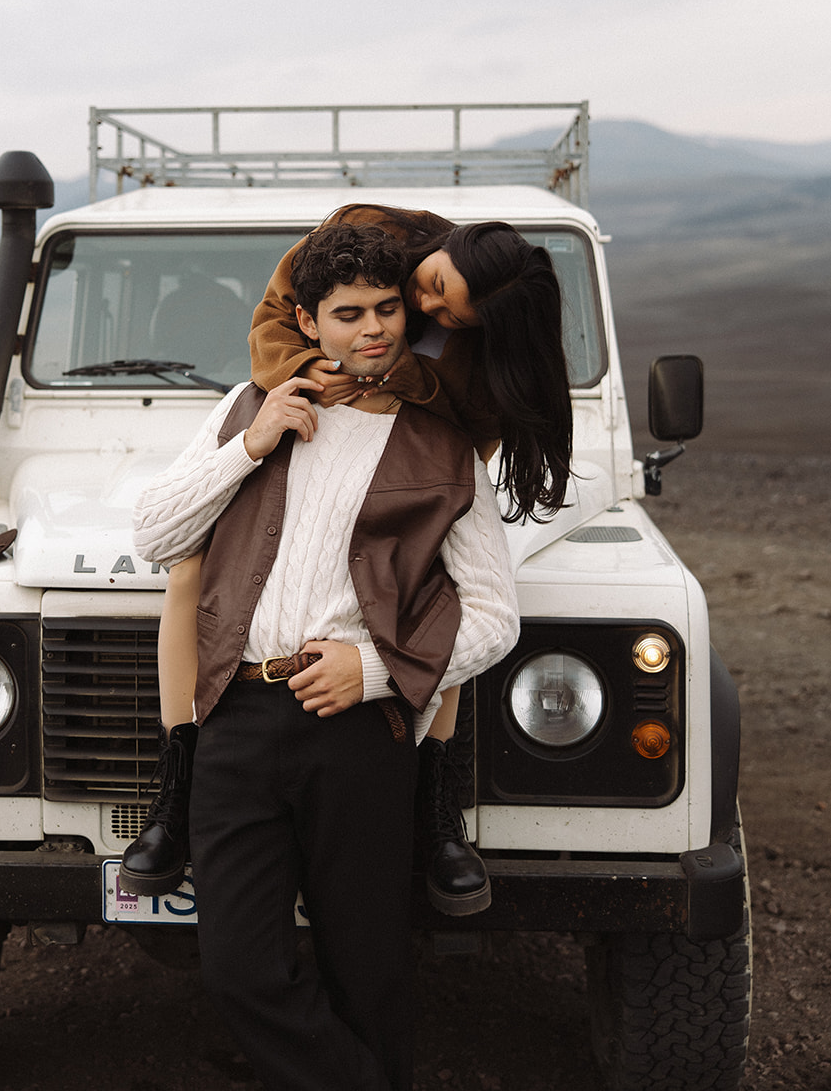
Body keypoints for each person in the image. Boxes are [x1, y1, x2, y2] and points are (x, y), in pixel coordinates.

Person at [131, 223, 519, 1091]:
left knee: (369, 972)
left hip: (359, 730)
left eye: (388, 310)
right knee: (240, 972)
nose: (372, 329)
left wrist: (374, 670)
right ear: (307, 322)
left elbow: (495, 616)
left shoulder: (443, 445)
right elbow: (155, 533)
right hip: (233, 719)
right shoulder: (245, 406)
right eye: (348, 313)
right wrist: (251, 444)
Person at [121, 202, 571, 908]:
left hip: (409, 441)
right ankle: (175, 786)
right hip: (308, 404)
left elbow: (460, 432)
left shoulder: (480, 361)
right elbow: (272, 324)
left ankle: (434, 803)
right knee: (188, 563)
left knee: (436, 580)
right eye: (431, 286)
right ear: (443, 246)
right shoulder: (367, 238)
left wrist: (391, 385)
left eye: (448, 316)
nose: (426, 307)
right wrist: (311, 370)